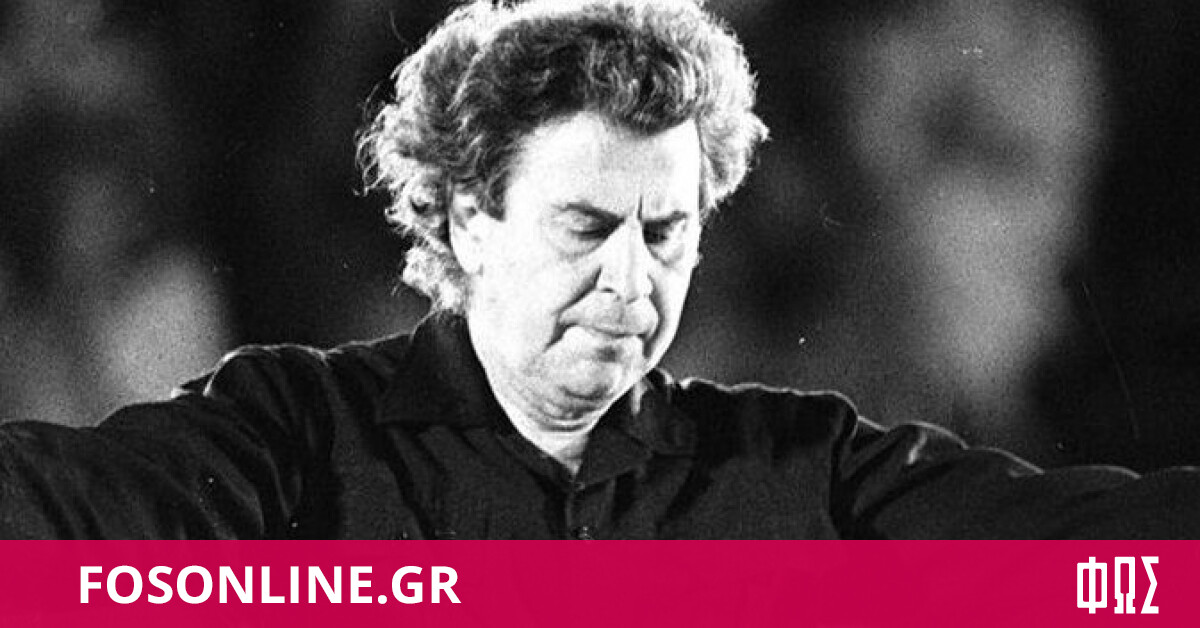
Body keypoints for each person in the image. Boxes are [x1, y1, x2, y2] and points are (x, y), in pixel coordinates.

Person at [0, 0, 1197, 539]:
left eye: (666, 232)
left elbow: (1092, 548)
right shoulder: (294, 434)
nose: (633, 285)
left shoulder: (796, 465)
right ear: (471, 223)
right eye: (584, 226)